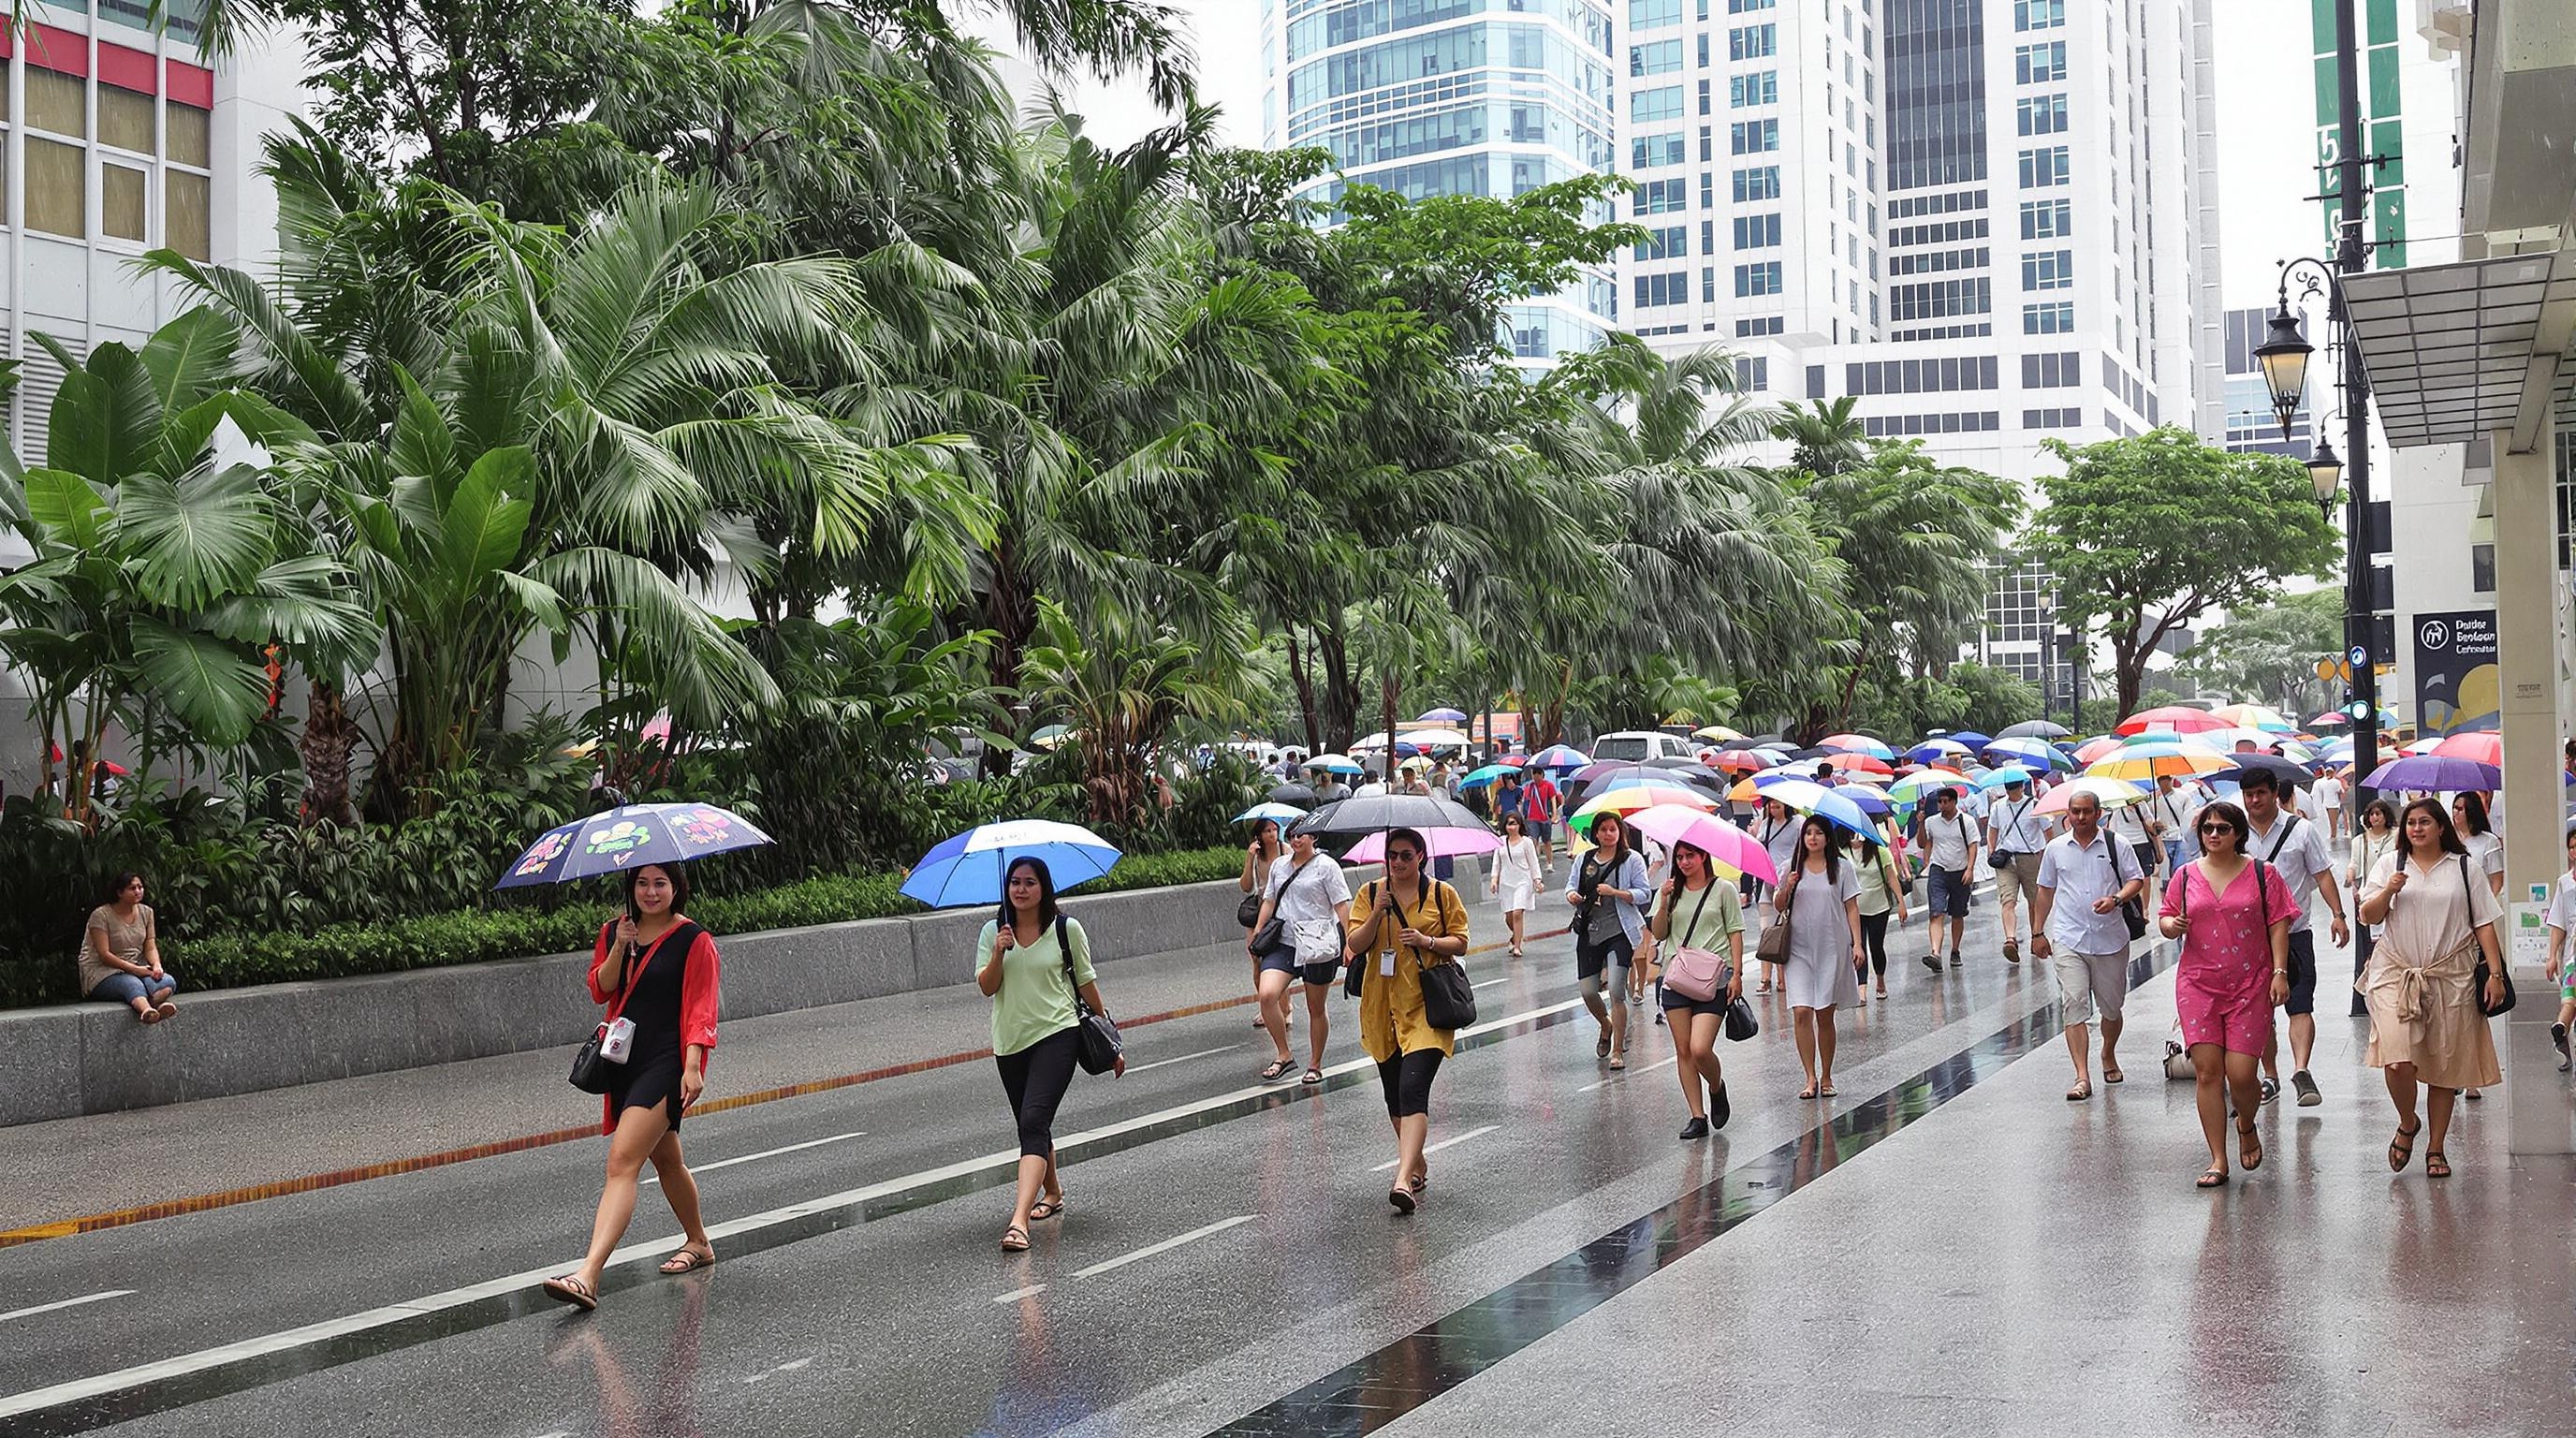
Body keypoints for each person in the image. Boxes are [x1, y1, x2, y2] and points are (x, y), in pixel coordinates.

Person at [544, 863, 724, 1309]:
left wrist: (693, 1065)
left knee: (623, 1161)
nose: (650, 891)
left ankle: (589, 1273)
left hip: (666, 1060)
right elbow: (600, 990)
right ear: (631, 888)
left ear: (676, 888)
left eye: (660, 883)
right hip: (624, 1059)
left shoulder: (693, 939)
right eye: (642, 883)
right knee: (666, 1159)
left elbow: (701, 1006)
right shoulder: (615, 932)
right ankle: (698, 1242)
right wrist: (619, 948)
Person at [977, 857, 1124, 1253]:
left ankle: (1018, 1221)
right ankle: (1053, 1192)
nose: (1021, 890)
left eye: (1030, 882)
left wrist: (1111, 1036)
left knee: (1033, 1120)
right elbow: (987, 987)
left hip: (1058, 1034)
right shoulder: (994, 932)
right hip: (1009, 1042)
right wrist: (998, 952)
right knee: (1033, 1128)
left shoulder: (1066, 929)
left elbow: (1087, 983)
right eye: (1015, 883)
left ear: (1044, 888)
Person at [2357, 798, 2507, 1180]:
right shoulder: (2391, 864)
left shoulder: (2464, 868)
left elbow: (2484, 922)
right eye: (2410, 823)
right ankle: (2408, 1122)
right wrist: (2389, 890)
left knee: (2445, 1065)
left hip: (2451, 974)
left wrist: (2495, 973)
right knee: (2396, 1057)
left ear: (2442, 828)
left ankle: (2436, 1147)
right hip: (2396, 972)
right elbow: (2368, 916)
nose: (2417, 829)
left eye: (2425, 822)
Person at [2158, 802, 2296, 1190]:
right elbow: (2166, 919)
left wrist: (2280, 972)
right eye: (2207, 829)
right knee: (2207, 1073)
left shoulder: (2262, 873)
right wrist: (2173, 925)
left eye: (2222, 828)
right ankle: (2218, 1158)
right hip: (2198, 984)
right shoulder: (2184, 876)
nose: (2214, 835)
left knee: (2241, 1075)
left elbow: (2279, 924)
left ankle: (2247, 1124)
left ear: (2238, 833)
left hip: (2251, 984)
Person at [1344, 828, 1470, 1213]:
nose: (1397, 862)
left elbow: (1461, 940)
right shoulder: (1369, 894)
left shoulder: (1440, 894)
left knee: (1413, 1088)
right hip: (1382, 1008)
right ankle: (1416, 1162)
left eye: (1405, 855)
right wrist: (1377, 913)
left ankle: (1401, 1179)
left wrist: (1428, 942)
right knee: (1394, 1095)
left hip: (1426, 1009)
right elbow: (1355, 944)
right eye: (1392, 855)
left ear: (1420, 857)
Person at [2237, 769, 2349, 1108]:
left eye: (2260, 793)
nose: (2254, 800)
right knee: (2260, 1011)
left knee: (2300, 1003)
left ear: (2275, 794)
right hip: (2248, 939)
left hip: (2295, 933)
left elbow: (2322, 874)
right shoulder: (2233, 831)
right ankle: (2270, 1075)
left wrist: (2338, 915)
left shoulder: (2301, 831)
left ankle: (2301, 1070)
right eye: (2248, 794)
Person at [2030, 791, 2146, 1100]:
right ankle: (2082, 1076)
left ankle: (2107, 1052)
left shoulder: (2116, 844)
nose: (2080, 817)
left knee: (2111, 1007)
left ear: (2098, 813)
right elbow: (2045, 891)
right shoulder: (2056, 848)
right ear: (2067, 814)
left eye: (2086, 812)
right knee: (2074, 1003)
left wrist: (2117, 899)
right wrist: (2037, 932)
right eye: (2075, 812)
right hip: (2070, 938)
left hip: (2110, 939)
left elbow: (2137, 879)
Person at [1644, 839, 1745, 1139]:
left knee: (1701, 1049)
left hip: (1715, 978)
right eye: (1681, 857)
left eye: (1691, 856)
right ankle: (1697, 1116)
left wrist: (1737, 974)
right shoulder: (1670, 891)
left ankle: (1716, 1086)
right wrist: (1663, 902)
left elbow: (1735, 932)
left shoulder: (1723, 889)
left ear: (1703, 857)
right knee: (1683, 1050)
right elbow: (1659, 932)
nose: (1685, 862)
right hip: (1677, 977)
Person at [1248, 822, 1354, 1085]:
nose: (1295, 840)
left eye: (1301, 835)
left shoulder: (1327, 867)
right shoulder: (1280, 866)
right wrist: (1259, 929)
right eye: (1292, 835)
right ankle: (1284, 1054)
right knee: (1267, 994)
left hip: (1318, 944)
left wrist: (1350, 941)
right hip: (1284, 941)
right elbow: (1270, 899)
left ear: (1313, 837)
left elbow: (1342, 906)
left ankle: (1315, 1064)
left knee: (1315, 1007)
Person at [1775, 816, 1864, 1098]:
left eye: (1818, 833)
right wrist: (1787, 886)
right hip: (1798, 948)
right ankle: (1810, 1077)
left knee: (1825, 1013)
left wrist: (1857, 944)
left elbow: (1851, 907)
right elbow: (1779, 904)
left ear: (1827, 838)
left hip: (1831, 946)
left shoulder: (1842, 868)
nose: (1812, 838)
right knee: (1801, 1011)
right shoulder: (1791, 868)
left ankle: (1827, 1075)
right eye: (1808, 833)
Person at [1566, 812, 1652, 1069]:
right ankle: (1606, 1024)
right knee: (1588, 992)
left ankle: (1617, 1051)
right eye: (1603, 829)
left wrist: (1615, 892)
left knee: (1616, 988)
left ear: (1620, 832)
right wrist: (1572, 896)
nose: (1608, 834)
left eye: (1613, 829)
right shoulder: (1584, 859)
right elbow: (1570, 886)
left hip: (1620, 931)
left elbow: (1644, 893)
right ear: (1596, 833)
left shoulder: (1632, 859)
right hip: (1590, 931)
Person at [80, 873, 175, 1023]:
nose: (138, 891)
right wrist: (135, 970)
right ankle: (147, 1011)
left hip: (137, 966)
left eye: (140, 887)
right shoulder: (101, 915)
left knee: (167, 982)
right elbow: (104, 954)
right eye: (132, 888)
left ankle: (152, 1005)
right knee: (132, 984)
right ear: (119, 892)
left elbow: (150, 946)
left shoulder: (147, 912)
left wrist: (156, 965)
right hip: (104, 971)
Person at [1983, 774, 2051, 964]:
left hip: (2029, 857)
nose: (2012, 791)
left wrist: (2048, 857)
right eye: (2009, 788)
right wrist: (1991, 850)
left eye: (2014, 787)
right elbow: (1993, 830)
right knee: (2008, 900)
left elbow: (2048, 832)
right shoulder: (1997, 806)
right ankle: (2010, 940)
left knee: (2034, 901)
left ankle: (2035, 934)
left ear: (2022, 787)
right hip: (2005, 858)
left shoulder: (2035, 805)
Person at [1917, 787, 1980, 971]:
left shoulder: (1966, 821)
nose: (1942, 805)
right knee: (1936, 913)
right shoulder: (1931, 822)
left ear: (1954, 802)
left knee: (1958, 914)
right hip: (1938, 870)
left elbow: (1973, 845)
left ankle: (1955, 949)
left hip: (1959, 871)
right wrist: (1920, 824)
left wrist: (1970, 869)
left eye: (1946, 802)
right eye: (1940, 802)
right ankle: (1935, 952)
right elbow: (1923, 843)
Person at [1849, 829, 1909, 999]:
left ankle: (1880, 979)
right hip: (1854, 910)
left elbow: (1891, 878)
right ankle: (1862, 987)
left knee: (1876, 946)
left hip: (1879, 908)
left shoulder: (1880, 852)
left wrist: (1901, 902)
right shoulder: (1842, 853)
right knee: (1858, 946)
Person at [1240, 818, 1287, 1034]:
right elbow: (1246, 886)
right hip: (1259, 910)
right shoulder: (1257, 856)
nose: (1272, 834)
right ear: (1259, 835)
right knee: (1257, 962)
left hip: (1280, 912)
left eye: (1275, 829)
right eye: (1267, 830)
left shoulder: (1285, 850)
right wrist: (1249, 858)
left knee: (1278, 965)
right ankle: (1266, 1007)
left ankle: (1285, 1009)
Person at [1751, 797, 1802, 992]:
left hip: (1788, 880)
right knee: (1766, 931)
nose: (1773, 808)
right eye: (1771, 805)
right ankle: (1766, 978)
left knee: (1784, 930)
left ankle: (1783, 977)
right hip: (1768, 881)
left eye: (1777, 805)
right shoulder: (1766, 823)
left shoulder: (1798, 823)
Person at [1489, 814, 1546, 957]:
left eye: (1514, 823)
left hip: (1523, 881)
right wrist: (1494, 880)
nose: (1512, 827)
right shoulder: (1500, 842)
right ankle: (1516, 935)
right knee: (1509, 916)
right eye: (1509, 824)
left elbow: (1533, 862)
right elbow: (1496, 863)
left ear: (1520, 825)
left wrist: (1537, 880)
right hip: (1506, 882)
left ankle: (1517, 946)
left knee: (1517, 913)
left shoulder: (1526, 842)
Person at [2544, 828, 2576, 1071]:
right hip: (2572, 956)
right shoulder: (2564, 883)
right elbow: (2559, 923)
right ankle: (2562, 1031)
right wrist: (2551, 956)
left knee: (2571, 1001)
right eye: (2572, 847)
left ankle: (2562, 1028)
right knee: (2571, 998)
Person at [2452, 792, 2507, 897]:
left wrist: (2491, 906)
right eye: (2454, 808)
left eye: (2460, 809)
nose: (2455, 812)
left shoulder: (2489, 841)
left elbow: (2497, 879)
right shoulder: (2449, 840)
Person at [2145, 775, 2198, 877]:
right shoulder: (2152, 799)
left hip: (2180, 837)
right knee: (2165, 873)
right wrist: (2153, 825)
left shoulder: (2183, 796)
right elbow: (2147, 818)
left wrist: (2185, 831)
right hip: (2162, 839)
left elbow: (2189, 815)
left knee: (2180, 869)